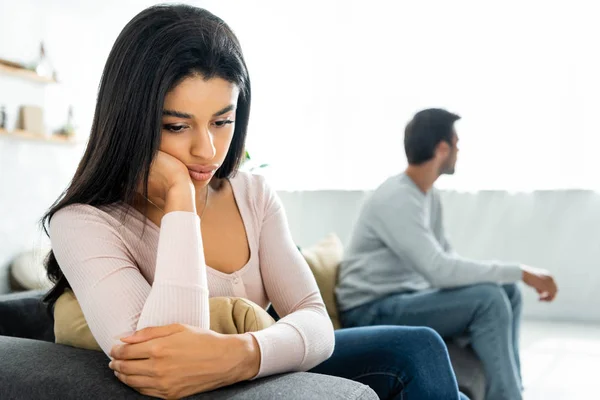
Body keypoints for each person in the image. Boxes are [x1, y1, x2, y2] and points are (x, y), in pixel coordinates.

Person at [41, 6, 467, 400]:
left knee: (420, 348)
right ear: (130, 119)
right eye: (176, 126)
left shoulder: (252, 194)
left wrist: (241, 354)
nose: (206, 149)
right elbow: (167, 362)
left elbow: (315, 320)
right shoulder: (83, 223)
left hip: (261, 362)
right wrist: (179, 199)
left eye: (222, 121)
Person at [336, 108, 559, 400]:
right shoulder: (397, 197)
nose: (458, 151)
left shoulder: (426, 195)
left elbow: (448, 262)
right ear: (442, 148)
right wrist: (521, 270)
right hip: (371, 310)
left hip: (403, 299)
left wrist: (514, 277)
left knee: (508, 291)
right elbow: (439, 271)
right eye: (456, 144)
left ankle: (511, 388)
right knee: (488, 300)